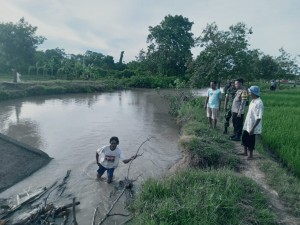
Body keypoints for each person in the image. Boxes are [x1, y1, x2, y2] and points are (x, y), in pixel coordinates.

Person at [241, 86, 264, 159]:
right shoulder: (252, 100)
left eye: (250, 92)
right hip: (248, 123)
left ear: (253, 93)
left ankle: (250, 155)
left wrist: (253, 128)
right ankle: (245, 152)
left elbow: (259, 117)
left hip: (253, 125)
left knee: (251, 140)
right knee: (244, 137)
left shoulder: (259, 103)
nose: (249, 93)